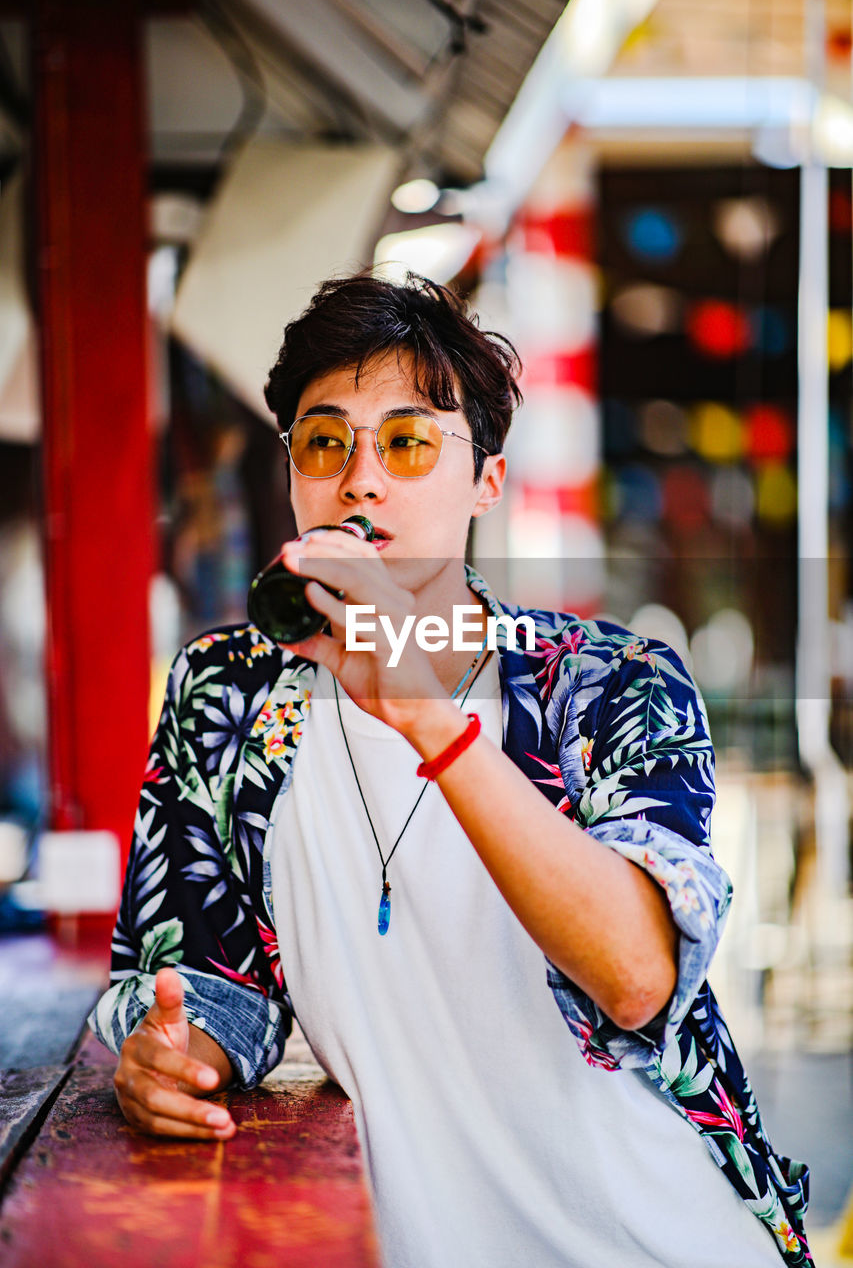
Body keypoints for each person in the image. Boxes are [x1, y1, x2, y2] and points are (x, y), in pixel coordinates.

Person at [90, 272, 810, 1267]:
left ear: (486, 480)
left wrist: (431, 718)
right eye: (324, 439)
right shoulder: (226, 694)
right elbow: (211, 987)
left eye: (409, 439)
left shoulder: (610, 680)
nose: (361, 479)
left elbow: (639, 974)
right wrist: (174, 1061)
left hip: (668, 1238)